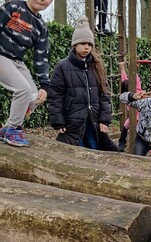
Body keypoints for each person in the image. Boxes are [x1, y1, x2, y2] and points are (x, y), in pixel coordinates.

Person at [0, 0, 53, 147]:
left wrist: (45, 85)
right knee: (23, 90)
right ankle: (13, 130)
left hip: (16, 61)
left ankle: (7, 128)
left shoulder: (41, 28)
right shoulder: (13, 7)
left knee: (33, 98)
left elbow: (41, 58)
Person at [48, 16, 117, 151]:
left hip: (93, 120)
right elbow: (55, 96)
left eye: (90, 44)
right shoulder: (62, 67)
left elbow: (105, 95)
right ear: (75, 45)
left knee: (95, 150)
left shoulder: (97, 67)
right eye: (83, 43)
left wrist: (104, 119)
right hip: (72, 121)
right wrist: (58, 121)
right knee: (73, 153)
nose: (87, 47)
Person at [118, 61, 144, 151]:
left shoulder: (137, 91)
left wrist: (133, 68)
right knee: (125, 126)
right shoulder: (126, 96)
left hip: (141, 117)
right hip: (133, 117)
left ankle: (134, 145)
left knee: (139, 132)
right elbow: (124, 80)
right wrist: (122, 68)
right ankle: (122, 143)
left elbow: (135, 79)